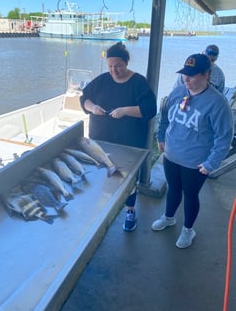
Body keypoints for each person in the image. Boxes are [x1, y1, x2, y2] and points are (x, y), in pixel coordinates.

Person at [152, 53, 233, 248]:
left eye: (192, 75)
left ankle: (188, 229)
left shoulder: (217, 103)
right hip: (171, 155)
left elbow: (224, 137)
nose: (186, 79)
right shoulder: (179, 91)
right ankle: (169, 217)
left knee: (190, 194)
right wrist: (161, 136)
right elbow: (165, 115)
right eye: (184, 74)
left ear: (206, 75)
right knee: (173, 189)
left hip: (196, 162)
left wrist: (211, 163)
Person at [80, 42, 157, 232]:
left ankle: (130, 210)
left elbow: (150, 109)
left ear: (127, 62)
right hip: (101, 140)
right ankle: (99, 208)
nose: (114, 70)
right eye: (110, 66)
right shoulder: (102, 80)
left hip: (129, 142)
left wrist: (125, 110)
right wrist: (92, 107)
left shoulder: (138, 82)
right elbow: (84, 98)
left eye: (118, 66)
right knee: (101, 176)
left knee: (127, 180)